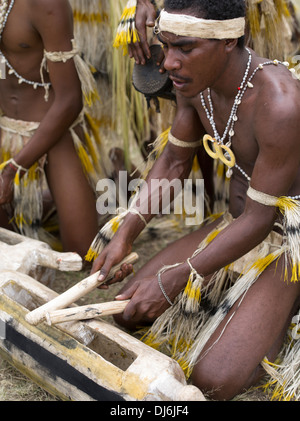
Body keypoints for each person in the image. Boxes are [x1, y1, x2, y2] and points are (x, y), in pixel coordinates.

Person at [89, 0, 300, 400]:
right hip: (237, 226)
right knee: (130, 312)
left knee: (213, 381)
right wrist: (125, 231)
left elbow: (260, 219)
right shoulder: (196, 85)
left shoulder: (280, 102)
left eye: (184, 48)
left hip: (288, 243)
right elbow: (172, 163)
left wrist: (175, 278)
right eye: (166, 46)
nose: (168, 63)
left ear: (228, 42)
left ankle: (285, 311)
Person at [0, 0, 103, 258]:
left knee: (82, 255)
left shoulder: (46, 4)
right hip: (4, 128)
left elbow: (70, 100)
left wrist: (13, 169)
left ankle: (114, 184)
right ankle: (42, 207)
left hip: (54, 133)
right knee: (8, 246)